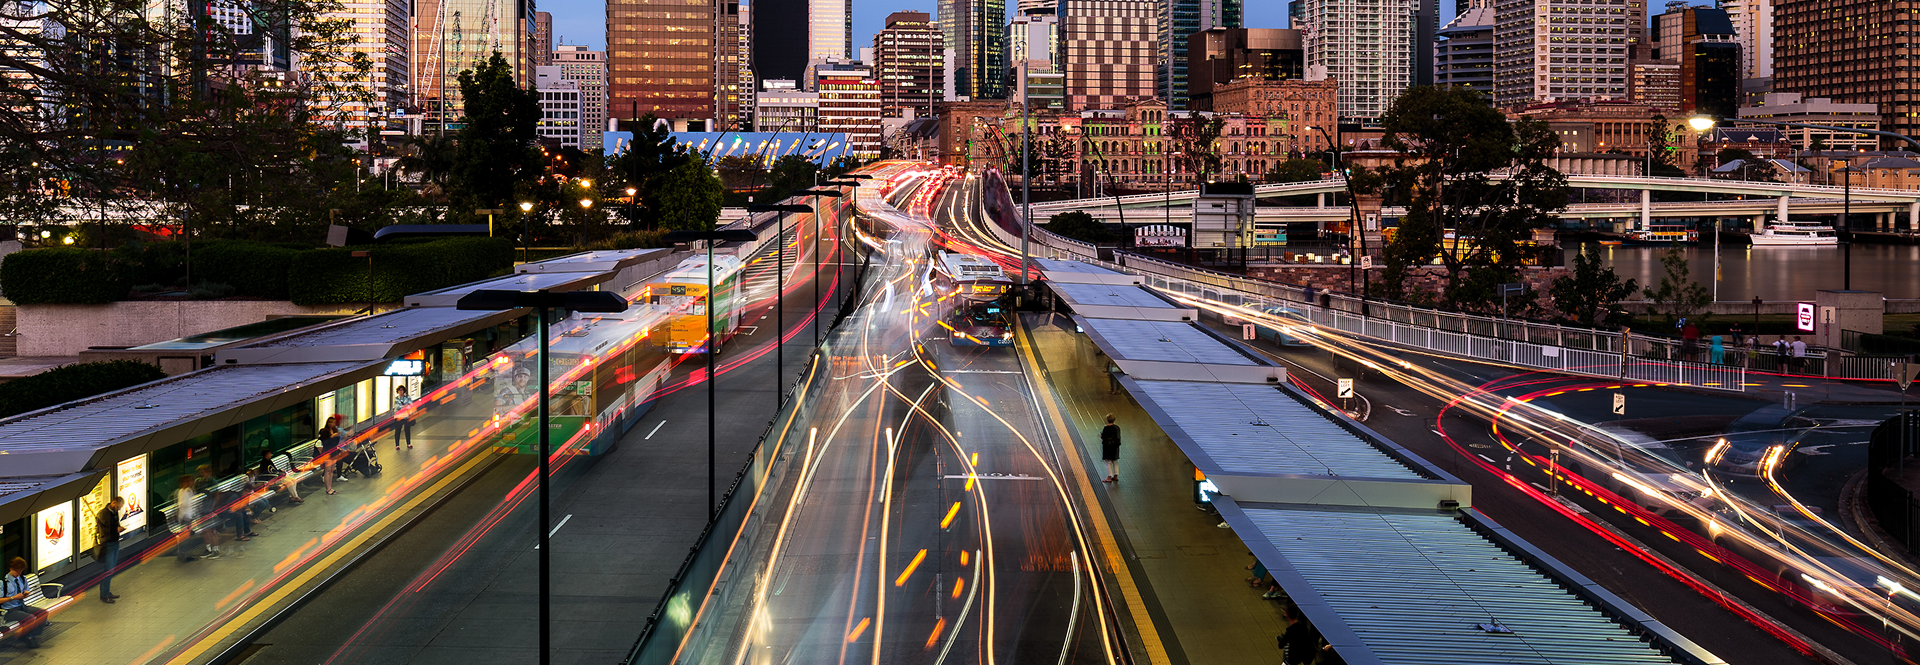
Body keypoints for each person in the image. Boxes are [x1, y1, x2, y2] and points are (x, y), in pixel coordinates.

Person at [2, 558, 48, 648]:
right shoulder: (3, 583)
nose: (18, 574)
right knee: (30, 618)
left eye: (20, 571)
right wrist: (12, 598)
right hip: (9, 610)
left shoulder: (22, 578)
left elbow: (26, 589)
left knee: (43, 613)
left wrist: (26, 593)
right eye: (17, 571)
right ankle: (28, 636)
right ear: (11, 569)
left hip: (21, 606)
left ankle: (29, 634)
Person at [96, 497, 123, 603]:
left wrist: (118, 529)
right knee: (108, 569)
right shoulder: (104, 513)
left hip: (115, 542)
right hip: (108, 544)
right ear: (113, 503)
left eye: (120, 508)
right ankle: (104, 594)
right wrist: (116, 529)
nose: (118, 509)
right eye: (117, 507)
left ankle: (106, 591)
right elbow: (104, 529)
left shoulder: (114, 512)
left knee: (111, 569)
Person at [319, 415, 343, 495]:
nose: (332, 424)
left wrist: (337, 436)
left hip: (334, 451)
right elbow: (325, 442)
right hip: (327, 452)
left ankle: (330, 487)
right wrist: (332, 436)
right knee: (327, 471)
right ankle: (327, 489)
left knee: (332, 471)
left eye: (333, 422)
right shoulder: (324, 431)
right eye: (330, 422)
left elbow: (336, 442)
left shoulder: (335, 430)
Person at [392, 385, 416, 450]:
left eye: (402, 390)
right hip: (398, 417)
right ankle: (397, 445)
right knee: (398, 431)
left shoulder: (407, 397)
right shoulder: (396, 398)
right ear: (398, 391)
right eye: (399, 390)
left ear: (404, 391)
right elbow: (397, 407)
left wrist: (403, 406)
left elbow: (411, 405)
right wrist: (406, 406)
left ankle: (408, 443)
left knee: (407, 430)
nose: (401, 391)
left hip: (406, 417)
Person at [1100, 414, 1122, 482]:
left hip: (1108, 447)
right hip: (1115, 447)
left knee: (1108, 462)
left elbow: (1104, 437)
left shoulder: (1106, 428)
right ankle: (1115, 476)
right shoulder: (1117, 427)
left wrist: (1101, 436)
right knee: (1115, 461)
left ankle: (1109, 477)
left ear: (1107, 420)